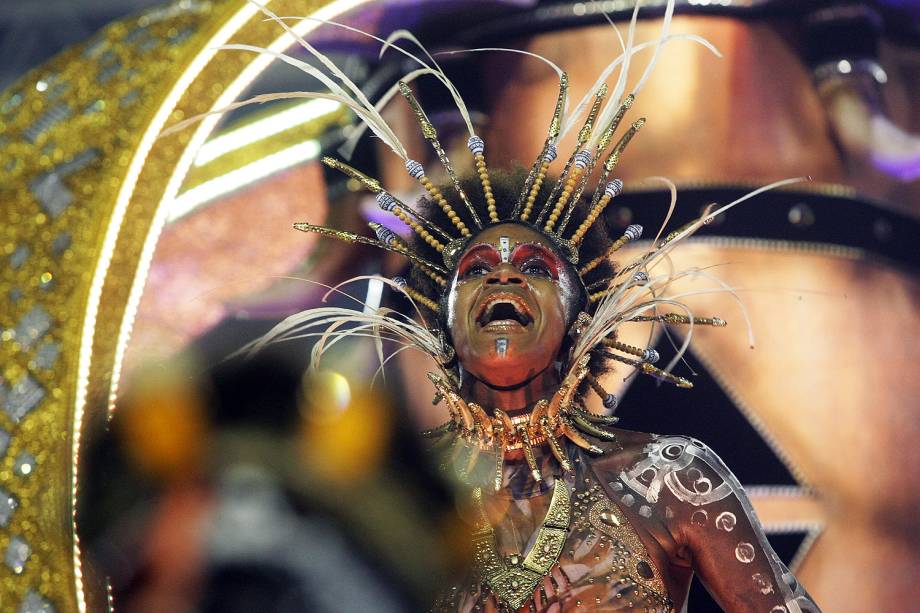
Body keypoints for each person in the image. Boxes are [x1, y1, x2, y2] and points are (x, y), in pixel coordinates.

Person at [217, 2, 823, 610]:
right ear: (442, 323)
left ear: (580, 319)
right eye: (476, 271)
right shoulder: (399, 501)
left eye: (535, 269)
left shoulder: (669, 480)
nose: (503, 276)